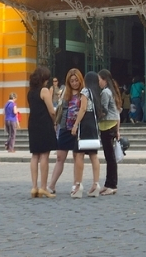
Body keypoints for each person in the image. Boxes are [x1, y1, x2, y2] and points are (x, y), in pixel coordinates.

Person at [46, 67, 98, 198]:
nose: (74, 83)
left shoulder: (84, 92)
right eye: (71, 81)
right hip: (65, 127)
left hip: (79, 129)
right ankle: (51, 185)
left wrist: (76, 125)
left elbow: (85, 109)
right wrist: (57, 125)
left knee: (77, 157)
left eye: (76, 80)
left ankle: (76, 184)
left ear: (80, 80)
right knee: (59, 158)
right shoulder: (65, 93)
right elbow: (62, 110)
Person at [27, 66, 58, 198]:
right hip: (44, 124)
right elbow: (51, 110)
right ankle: (44, 187)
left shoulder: (30, 92)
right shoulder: (44, 90)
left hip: (33, 123)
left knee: (35, 156)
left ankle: (34, 187)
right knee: (44, 155)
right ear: (44, 78)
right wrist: (55, 121)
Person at [97, 69, 122, 196]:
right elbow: (117, 113)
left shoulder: (105, 93)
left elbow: (104, 111)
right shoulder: (112, 92)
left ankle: (112, 184)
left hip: (107, 126)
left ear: (104, 80)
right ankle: (108, 183)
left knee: (110, 158)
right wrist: (118, 130)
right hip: (112, 125)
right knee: (110, 157)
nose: (98, 82)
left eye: (99, 79)